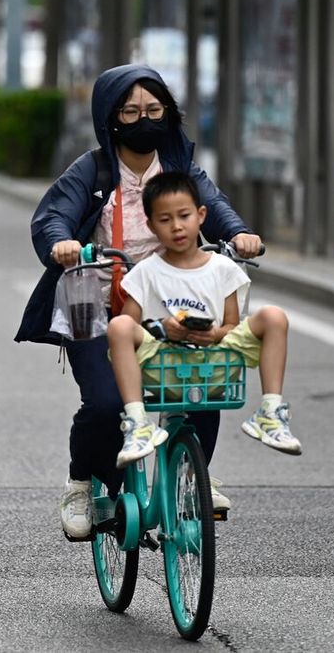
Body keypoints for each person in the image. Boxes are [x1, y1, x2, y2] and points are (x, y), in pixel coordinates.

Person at [14, 64, 263, 540]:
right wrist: (61, 244)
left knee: (202, 387)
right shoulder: (92, 171)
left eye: (153, 109)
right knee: (107, 405)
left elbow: (217, 205)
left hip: (175, 309)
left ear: (169, 114)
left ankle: (195, 477)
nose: (143, 118)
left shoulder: (180, 171)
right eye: (130, 111)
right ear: (110, 119)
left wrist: (239, 234)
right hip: (100, 312)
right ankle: (81, 483)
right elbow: (52, 219)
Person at [106, 171, 301, 466]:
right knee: (119, 325)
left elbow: (231, 326)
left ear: (201, 215)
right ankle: (138, 423)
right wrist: (163, 329)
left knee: (273, 316)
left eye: (184, 215)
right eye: (165, 219)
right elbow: (131, 327)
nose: (177, 226)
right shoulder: (145, 272)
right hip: (164, 370)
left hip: (215, 365)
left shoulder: (222, 268)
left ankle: (270, 413)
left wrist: (215, 335)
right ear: (151, 226)